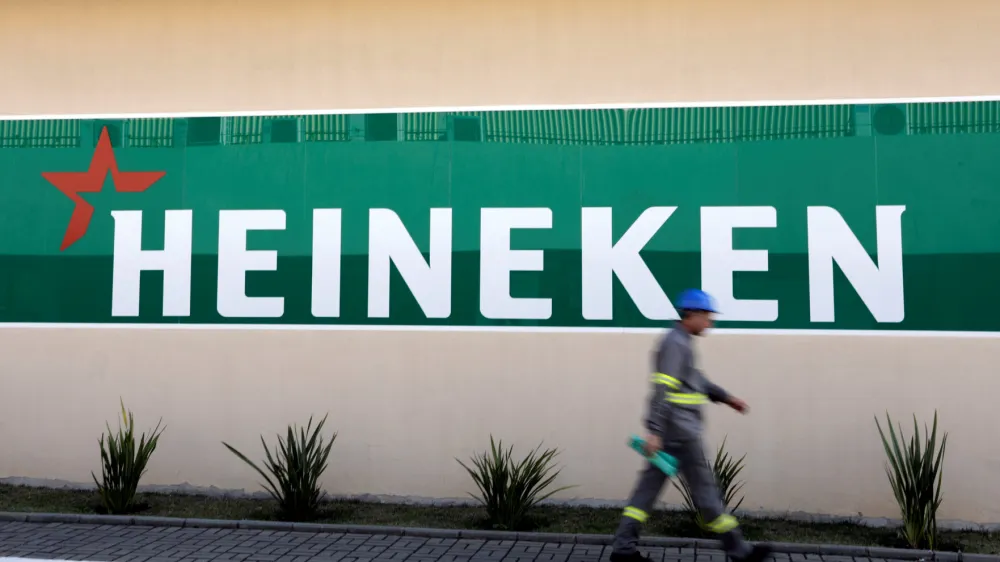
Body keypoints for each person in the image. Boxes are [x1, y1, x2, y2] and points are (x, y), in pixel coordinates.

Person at [609, 288, 772, 562]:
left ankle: (623, 550)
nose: (710, 322)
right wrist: (654, 431)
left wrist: (727, 398)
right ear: (691, 314)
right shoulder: (675, 344)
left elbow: (696, 382)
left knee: (645, 494)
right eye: (707, 316)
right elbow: (662, 389)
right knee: (707, 494)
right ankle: (740, 552)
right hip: (681, 435)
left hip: (672, 434)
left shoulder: (680, 342)